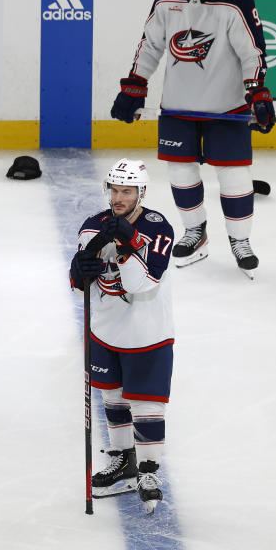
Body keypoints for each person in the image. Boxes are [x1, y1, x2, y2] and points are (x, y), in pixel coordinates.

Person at [109, 0, 273, 278]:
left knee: (234, 177)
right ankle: (195, 233)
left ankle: (240, 241)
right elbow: (150, 46)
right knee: (181, 173)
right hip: (179, 107)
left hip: (226, 107)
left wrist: (257, 92)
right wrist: (135, 86)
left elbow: (252, 51)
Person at [69, 158, 175, 515]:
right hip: (104, 330)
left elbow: (140, 284)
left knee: (146, 406)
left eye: (126, 191)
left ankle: (147, 472)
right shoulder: (92, 226)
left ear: (141, 193)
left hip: (148, 333)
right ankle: (122, 459)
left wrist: (128, 243)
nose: (118, 197)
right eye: (114, 190)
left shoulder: (158, 229)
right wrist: (78, 270)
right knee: (113, 399)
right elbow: (79, 278)